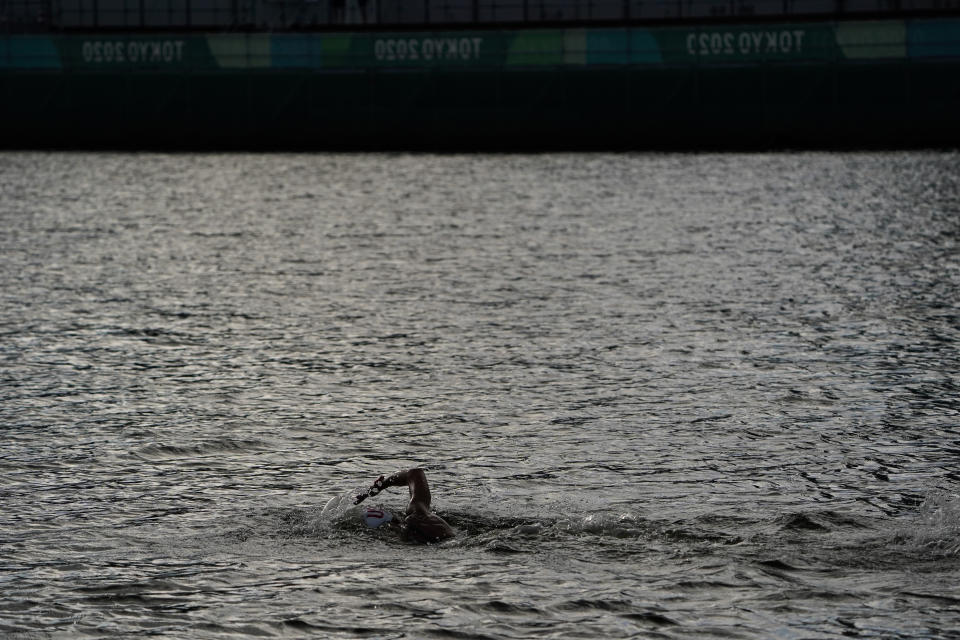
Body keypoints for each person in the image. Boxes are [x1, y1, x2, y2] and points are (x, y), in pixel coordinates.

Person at [353, 468, 454, 543]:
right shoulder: (419, 512)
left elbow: (415, 473)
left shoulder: (416, 515)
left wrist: (382, 485)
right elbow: (415, 473)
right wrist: (383, 484)